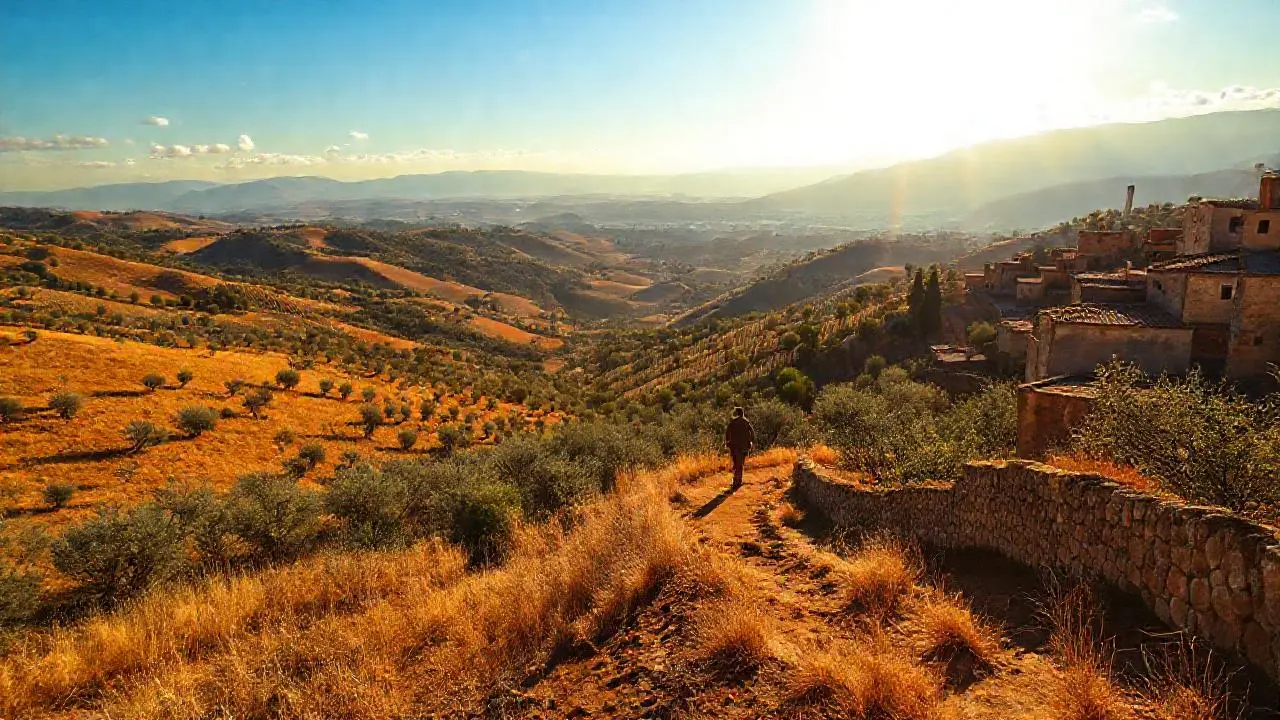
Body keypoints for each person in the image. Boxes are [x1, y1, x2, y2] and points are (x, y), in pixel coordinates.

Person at [725, 406, 755, 489]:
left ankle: (735, 480)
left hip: (734, 446)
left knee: (735, 463)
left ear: (737, 413)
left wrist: (727, 442)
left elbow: (727, 432)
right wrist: (751, 442)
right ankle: (738, 480)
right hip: (743, 446)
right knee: (740, 463)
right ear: (742, 413)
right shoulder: (746, 422)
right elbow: (752, 433)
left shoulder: (733, 422)